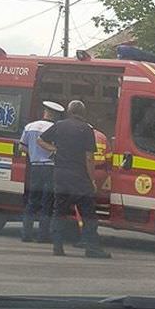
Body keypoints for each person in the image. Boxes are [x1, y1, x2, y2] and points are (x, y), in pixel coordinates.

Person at [38, 100, 111, 259]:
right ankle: (92, 248)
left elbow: (41, 140)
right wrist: (91, 180)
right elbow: (89, 157)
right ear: (83, 113)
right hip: (79, 177)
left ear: (69, 111)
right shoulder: (86, 129)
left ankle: (57, 247)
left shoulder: (59, 125)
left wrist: (55, 149)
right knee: (88, 213)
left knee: (59, 211)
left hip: (61, 175)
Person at [18, 101, 64, 243]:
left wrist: (33, 153)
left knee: (32, 201)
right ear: (54, 114)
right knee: (47, 202)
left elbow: (21, 146)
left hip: (35, 167)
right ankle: (43, 235)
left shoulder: (30, 126)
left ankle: (26, 234)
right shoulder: (55, 128)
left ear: (44, 111)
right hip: (50, 168)